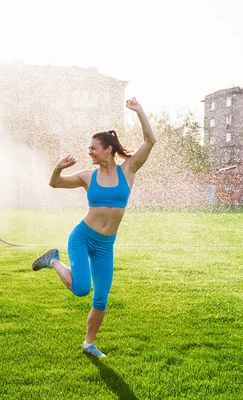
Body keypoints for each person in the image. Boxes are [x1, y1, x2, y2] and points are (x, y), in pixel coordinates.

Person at [32, 97, 156, 357]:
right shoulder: (88, 176)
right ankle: (53, 260)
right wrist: (58, 167)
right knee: (81, 289)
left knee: (101, 299)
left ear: (109, 149)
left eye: (93, 148)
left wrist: (139, 112)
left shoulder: (128, 170)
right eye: (88, 148)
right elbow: (55, 183)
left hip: (105, 245)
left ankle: (88, 344)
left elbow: (150, 141)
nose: (89, 152)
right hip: (82, 237)